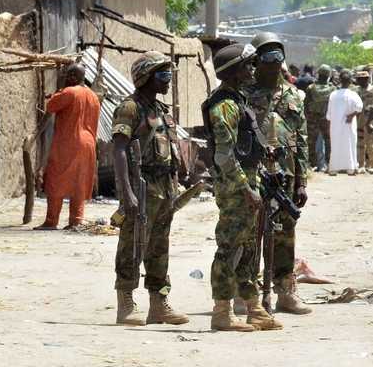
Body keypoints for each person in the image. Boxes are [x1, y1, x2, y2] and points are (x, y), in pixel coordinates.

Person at [201, 43, 278, 332]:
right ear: (234, 71)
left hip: (247, 181)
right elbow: (224, 155)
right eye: (248, 65)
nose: (253, 70)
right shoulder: (224, 105)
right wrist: (246, 189)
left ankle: (253, 306)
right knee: (229, 247)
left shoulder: (238, 101)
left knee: (248, 247)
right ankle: (221, 311)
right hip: (235, 187)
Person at [111, 51, 189, 326]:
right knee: (133, 244)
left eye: (169, 74)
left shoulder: (161, 111)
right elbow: (119, 149)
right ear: (145, 77)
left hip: (164, 188)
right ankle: (126, 302)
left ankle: (158, 302)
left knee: (159, 246)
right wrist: (126, 193)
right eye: (163, 75)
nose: (168, 80)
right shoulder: (130, 108)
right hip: (141, 187)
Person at [246, 32, 312, 315]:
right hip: (254, 173)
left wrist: (302, 181)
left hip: (285, 174)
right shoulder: (244, 93)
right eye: (267, 57)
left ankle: (285, 291)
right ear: (256, 61)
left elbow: (302, 140)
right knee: (250, 233)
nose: (274, 64)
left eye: (278, 57)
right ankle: (246, 290)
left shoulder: (295, 95)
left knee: (285, 233)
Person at [35, 63, 100, 230]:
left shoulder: (69, 92)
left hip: (70, 141)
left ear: (73, 77)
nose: (65, 77)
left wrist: (59, 90)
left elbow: (50, 107)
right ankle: (76, 220)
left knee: (55, 178)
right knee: (80, 181)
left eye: (67, 75)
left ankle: (51, 221)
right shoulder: (93, 96)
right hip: (89, 143)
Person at [326, 70, 363, 175]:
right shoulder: (353, 94)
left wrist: (330, 125)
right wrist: (351, 115)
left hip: (335, 125)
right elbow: (359, 107)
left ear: (340, 81)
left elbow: (329, 114)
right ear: (350, 81)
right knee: (349, 144)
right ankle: (351, 168)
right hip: (349, 125)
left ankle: (333, 169)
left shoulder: (333, 95)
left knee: (336, 145)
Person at [304, 65, 336, 171]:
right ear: (328, 75)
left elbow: (306, 104)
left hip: (313, 118)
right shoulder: (333, 88)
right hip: (327, 118)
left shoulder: (311, 88)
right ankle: (328, 162)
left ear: (319, 74)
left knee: (311, 141)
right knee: (328, 141)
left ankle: (313, 163)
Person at [354, 69, 373, 174]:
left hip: (370, 120)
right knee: (360, 144)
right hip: (358, 121)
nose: (361, 81)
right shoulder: (355, 91)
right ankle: (361, 164)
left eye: (363, 79)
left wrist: (371, 121)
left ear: (367, 79)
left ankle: (372, 164)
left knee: (370, 144)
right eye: (359, 79)